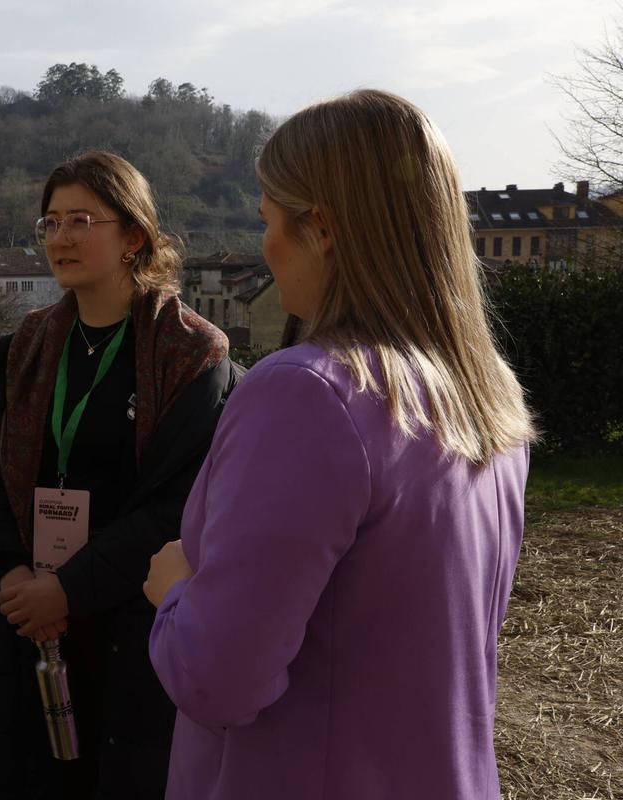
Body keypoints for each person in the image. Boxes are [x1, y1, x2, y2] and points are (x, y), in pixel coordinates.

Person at [145, 89, 535, 800]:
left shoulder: (308, 393)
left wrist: (174, 596)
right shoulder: (487, 395)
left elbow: (220, 679)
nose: (264, 244)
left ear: (319, 228)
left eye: (268, 220)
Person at [0, 150, 243, 799]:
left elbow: (178, 503)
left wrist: (69, 588)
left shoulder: (193, 355)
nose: (60, 237)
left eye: (80, 219)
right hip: (25, 615)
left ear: (134, 235)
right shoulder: (22, 349)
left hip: (130, 626)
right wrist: (12, 572)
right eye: (50, 222)